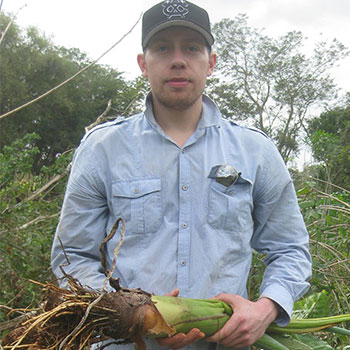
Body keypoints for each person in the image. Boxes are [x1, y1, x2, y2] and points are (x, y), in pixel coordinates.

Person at [51, 1, 312, 349]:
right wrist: (133, 318)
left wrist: (267, 308)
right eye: (162, 48)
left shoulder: (255, 151)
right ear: (144, 64)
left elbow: (290, 249)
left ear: (211, 63)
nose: (178, 59)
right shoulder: (103, 149)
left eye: (191, 48)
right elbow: (72, 259)